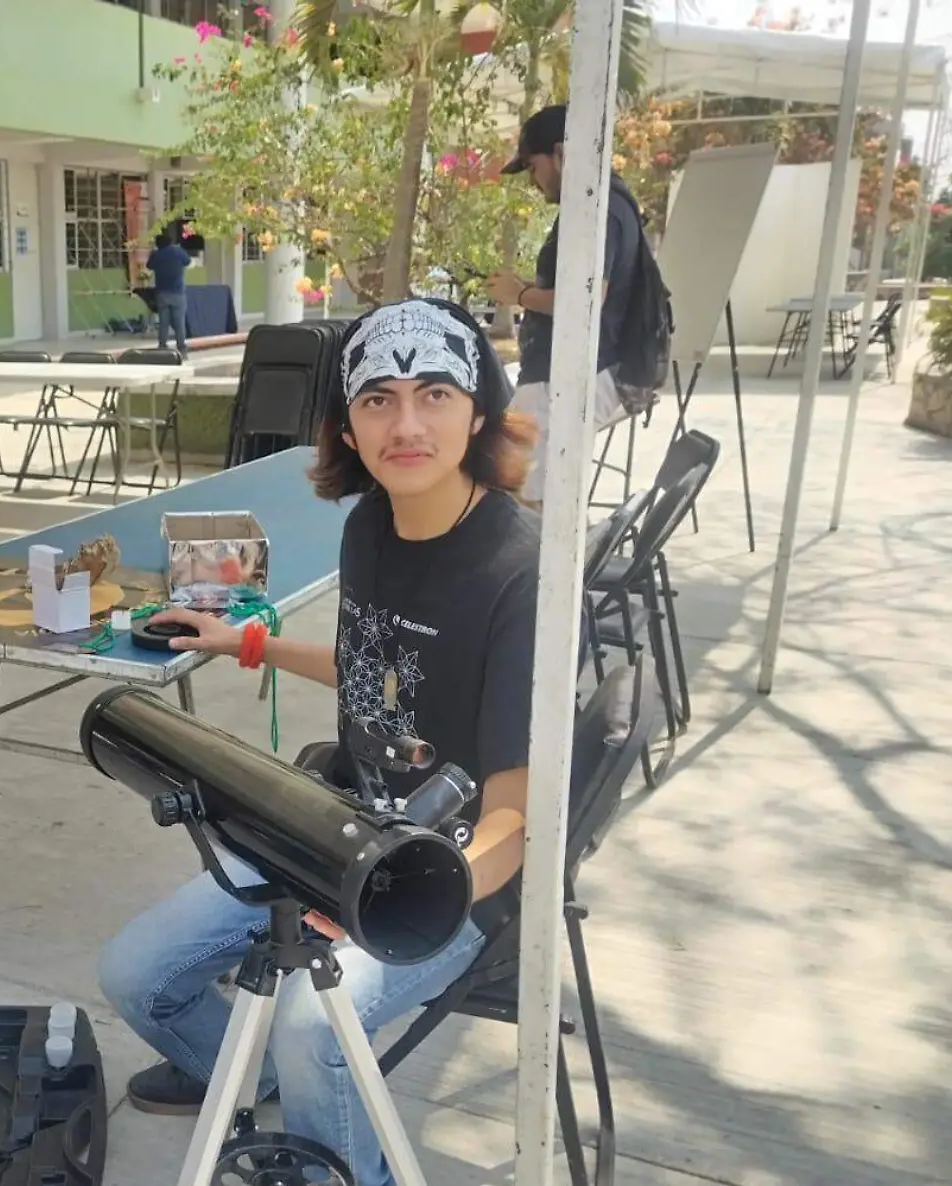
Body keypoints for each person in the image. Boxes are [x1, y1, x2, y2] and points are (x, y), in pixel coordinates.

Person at [98, 297, 540, 1186]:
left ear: (477, 412)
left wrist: (378, 902)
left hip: (443, 880)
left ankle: (330, 1154)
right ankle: (253, 1073)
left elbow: (516, 820)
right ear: (347, 423)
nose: (405, 424)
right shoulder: (373, 524)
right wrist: (245, 640)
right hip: (333, 828)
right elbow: (383, 675)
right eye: (377, 399)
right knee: (135, 974)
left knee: (314, 1026)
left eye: (434, 395)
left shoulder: (521, 572)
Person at [486, 103, 646, 509]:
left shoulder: (598, 207)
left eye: (533, 166)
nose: (534, 182)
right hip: (559, 373)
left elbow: (585, 301)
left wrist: (518, 296)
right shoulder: (602, 203)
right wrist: (526, 288)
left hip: (568, 375)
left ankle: (532, 574)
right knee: (523, 491)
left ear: (561, 153)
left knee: (528, 501)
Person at [148, 229, 193, 356]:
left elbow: (149, 266)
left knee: (164, 322)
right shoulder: (178, 252)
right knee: (179, 322)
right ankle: (181, 348)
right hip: (177, 292)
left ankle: (162, 346)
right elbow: (188, 262)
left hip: (162, 292)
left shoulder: (156, 254)